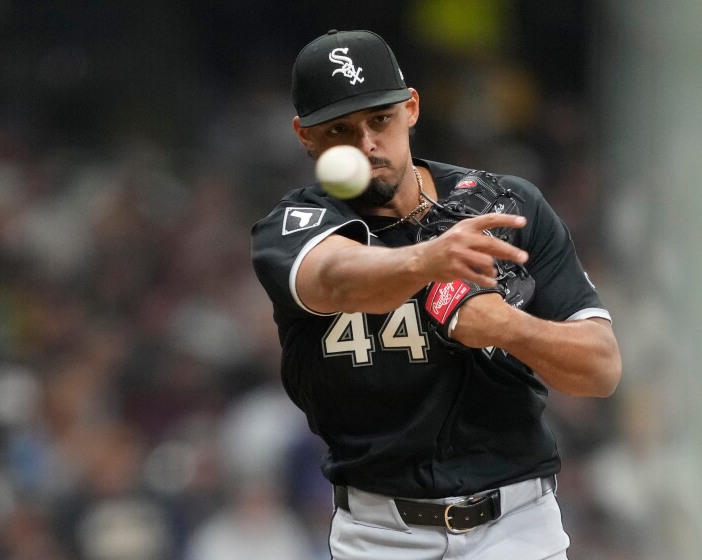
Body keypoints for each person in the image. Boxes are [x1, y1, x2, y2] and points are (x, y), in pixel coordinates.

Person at [250, 29, 621, 560]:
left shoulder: (506, 206)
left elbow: (601, 369)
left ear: (411, 108)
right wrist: (432, 259)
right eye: (339, 129)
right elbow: (334, 277)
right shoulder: (290, 228)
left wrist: (501, 325)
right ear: (305, 136)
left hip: (517, 528)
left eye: (380, 119)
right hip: (381, 536)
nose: (366, 144)